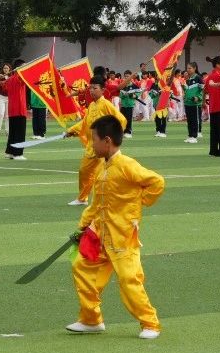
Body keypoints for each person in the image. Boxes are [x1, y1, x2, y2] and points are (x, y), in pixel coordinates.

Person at [65, 116, 165, 339]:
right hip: (99, 235)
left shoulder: (127, 165)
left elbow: (157, 182)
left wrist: (139, 203)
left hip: (122, 236)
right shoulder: (103, 167)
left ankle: (150, 323)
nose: (92, 145)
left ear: (107, 141)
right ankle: (91, 320)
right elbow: (96, 203)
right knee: (81, 268)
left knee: (129, 279)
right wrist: (81, 227)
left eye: (94, 140)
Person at [64, 76, 128, 206]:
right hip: (92, 146)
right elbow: (85, 123)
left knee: (102, 174)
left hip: (103, 146)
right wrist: (72, 130)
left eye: (95, 88)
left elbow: (121, 120)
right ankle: (83, 198)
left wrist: (112, 137)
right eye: (90, 88)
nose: (92, 91)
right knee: (84, 171)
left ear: (103, 90)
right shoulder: (92, 105)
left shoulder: (106, 104)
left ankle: (108, 199)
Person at [117, 69, 140, 139]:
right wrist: (124, 95)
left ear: (131, 77)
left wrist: (134, 95)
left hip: (130, 104)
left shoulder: (134, 86)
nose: (126, 78)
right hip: (123, 104)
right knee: (122, 119)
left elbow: (138, 93)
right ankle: (122, 131)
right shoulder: (122, 85)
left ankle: (128, 132)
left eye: (128, 76)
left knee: (129, 119)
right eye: (125, 76)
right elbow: (120, 95)